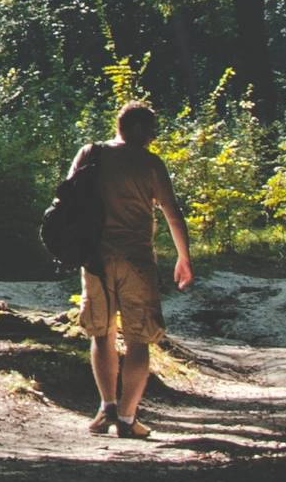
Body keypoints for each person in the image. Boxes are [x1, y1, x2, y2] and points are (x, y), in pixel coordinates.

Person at [69, 99, 195, 439]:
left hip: (94, 257)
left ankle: (106, 406)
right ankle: (126, 419)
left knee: (101, 332)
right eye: (151, 130)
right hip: (136, 260)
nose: (153, 137)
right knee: (139, 339)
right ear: (137, 128)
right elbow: (172, 212)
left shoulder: (89, 153)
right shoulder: (150, 164)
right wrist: (184, 257)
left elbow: (67, 198)